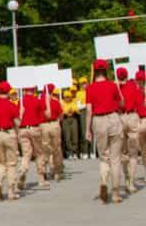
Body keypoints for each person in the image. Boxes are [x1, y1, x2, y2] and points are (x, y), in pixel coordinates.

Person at [86, 59, 124, 204]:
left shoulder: (90, 88)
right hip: (113, 118)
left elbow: (89, 110)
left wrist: (87, 129)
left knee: (104, 157)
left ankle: (103, 181)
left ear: (94, 72)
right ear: (106, 71)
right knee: (115, 159)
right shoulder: (112, 85)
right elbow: (121, 103)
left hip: (99, 120)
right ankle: (115, 193)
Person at [17, 86, 48, 191]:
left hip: (23, 129)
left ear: (25, 90)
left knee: (26, 154)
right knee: (39, 153)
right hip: (35, 128)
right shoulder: (37, 100)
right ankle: (41, 178)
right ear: (34, 90)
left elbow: (18, 116)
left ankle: (23, 170)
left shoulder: (20, 101)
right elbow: (46, 114)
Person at [117, 67, 142, 195]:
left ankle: (127, 178)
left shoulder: (115, 88)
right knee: (133, 154)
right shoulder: (134, 86)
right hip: (132, 116)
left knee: (123, 152)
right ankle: (131, 182)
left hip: (120, 117)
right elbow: (139, 103)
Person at [40, 85, 64, 182]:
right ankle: (57, 172)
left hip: (43, 126)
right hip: (54, 124)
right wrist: (58, 122)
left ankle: (44, 171)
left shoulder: (40, 103)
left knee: (45, 149)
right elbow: (61, 115)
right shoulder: (56, 102)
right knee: (56, 149)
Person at [60, 89, 81, 162]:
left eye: (69, 97)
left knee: (75, 135)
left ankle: (75, 152)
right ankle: (70, 152)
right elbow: (61, 112)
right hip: (65, 119)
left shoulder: (73, 102)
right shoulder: (62, 102)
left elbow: (78, 111)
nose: (67, 98)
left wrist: (73, 110)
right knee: (67, 136)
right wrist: (66, 111)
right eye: (66, 97)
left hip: (73, 118)